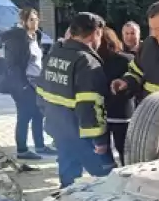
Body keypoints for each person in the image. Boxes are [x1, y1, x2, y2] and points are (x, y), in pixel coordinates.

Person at [36, 12, 112, 188]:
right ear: (96, 33)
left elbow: (40, 91)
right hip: (81, 135)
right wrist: (99, 141)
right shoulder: (87, 62)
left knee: (68, 176)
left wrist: (51, 117)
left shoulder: (55, 53)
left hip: (57, 127)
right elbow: (89, 105)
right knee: (107, 179)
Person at [0, 8, 57, 160]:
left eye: (36, 19)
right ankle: (22, 149)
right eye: (31, 19)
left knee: (38, 114)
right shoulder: (16, 39)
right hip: (23, 82)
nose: (35, 22)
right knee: (24, 115)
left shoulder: (35, 36)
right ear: (23, 21)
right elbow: (13, 65)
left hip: (36, 81)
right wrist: (22, 85)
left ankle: (40, 145)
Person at [97, 27, 134, 166]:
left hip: (103, 112)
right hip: (123, 113)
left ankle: (110, 174)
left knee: (104, 152)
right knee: (125, 151)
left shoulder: (96, 62)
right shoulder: (128, 59)